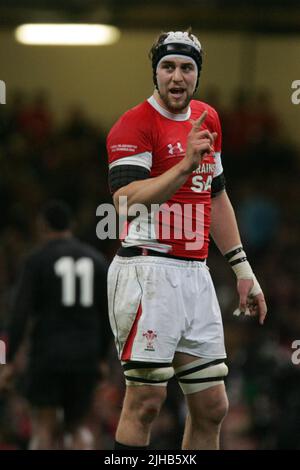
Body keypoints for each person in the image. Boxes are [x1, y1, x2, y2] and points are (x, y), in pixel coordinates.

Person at [106, 30, 267, 450]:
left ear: (197, 75)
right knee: (146, 402)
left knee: (213, 405)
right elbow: (124, 202)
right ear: (155, 72)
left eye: (186, 68)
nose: (177, 77)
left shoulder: (208, 119)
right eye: (168, 67)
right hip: (146, 271)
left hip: (195, 274)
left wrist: (243, 269)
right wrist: (182, 166)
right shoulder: (134, 123)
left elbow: (216, 196)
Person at [0, 200, 111, 449]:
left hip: (47, 355)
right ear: (70, 226)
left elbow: (16, 317)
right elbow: (107, 316)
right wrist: (102, 357)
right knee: (79, 427)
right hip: (86, 355)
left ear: (42, 227)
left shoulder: (36, 260)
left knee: (43, 428)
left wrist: (3, 359)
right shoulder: (97, 261)